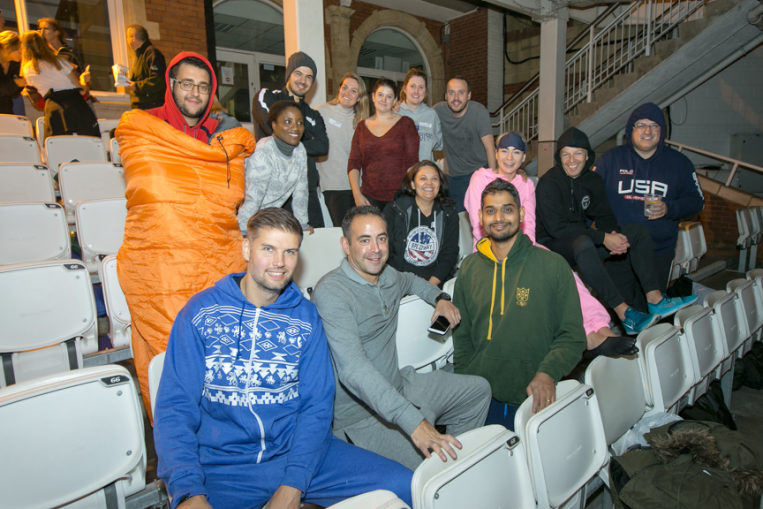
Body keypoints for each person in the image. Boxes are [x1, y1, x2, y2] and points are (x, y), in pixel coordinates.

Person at [154, 208, 413, 509]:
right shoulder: (200, 313)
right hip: (223, 467)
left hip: (299, 454)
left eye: (289, 252)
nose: (279, 263)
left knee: (403, 486)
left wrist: (293, 484)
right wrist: (187, 491)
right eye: (268, 249)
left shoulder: (306, 318)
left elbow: (317, 406)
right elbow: (174, 408)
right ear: (247, 248)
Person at [115, 52, 253, 413]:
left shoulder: (219, 140)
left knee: (222, 348)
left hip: (215, 259)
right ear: (171, 85)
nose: (195, 92)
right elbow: (148, 190)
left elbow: (229, 200)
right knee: (173, 355)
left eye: (203, 86)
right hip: (161, 260)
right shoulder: (144, 129)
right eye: (187, 83)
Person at [312, 206, 491, 470]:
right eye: (365, 240)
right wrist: (414, 423)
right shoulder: (331, 292)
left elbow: (411, 281)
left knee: (478, 391)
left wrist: (440, 298)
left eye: (381, 238)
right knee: (430, 470)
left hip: (401, 384)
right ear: (346, 245)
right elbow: (353, 370)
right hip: (362, 415)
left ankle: (458, 471)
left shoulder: (386, 275)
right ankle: (446, 481)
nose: (376, 248)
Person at [464, 132, 636, 358]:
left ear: (524, 157)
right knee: (544, 287)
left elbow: (530, 225)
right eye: (504, 151)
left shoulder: (525, 184)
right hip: (490, 252)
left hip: (524, 246)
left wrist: (528, 250)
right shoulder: (480, 178)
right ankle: (587, 336)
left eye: (516, 152)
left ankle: (601, 328)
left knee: (562, 270)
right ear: (496, 153)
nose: (509, 157)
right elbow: (481, 225)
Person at [535, 127, 696, 336]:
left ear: (587, 156)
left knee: (637, 232)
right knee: (583, 242)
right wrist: (603, 238)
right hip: (552, 245)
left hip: (580, 241)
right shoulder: (549, 182)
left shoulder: (592, 180)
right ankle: (624, 313)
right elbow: (558, 228)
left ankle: (655, 298)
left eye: (577, 153)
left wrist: (615, 236)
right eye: (566, 154)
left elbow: (604, 216)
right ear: (559, 157)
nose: (571, 160)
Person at [453, 179, 586, 428]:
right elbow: (462, 337)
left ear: (521, 213)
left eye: (507, 209)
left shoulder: (553, 265)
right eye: (490, 211)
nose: (499, 217)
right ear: (480, 217)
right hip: (481, 397)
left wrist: (548, 372)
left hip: (533, 395)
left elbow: (573, 336)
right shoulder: (469, 268)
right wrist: (465, 384)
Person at [597, 102, 705, 293]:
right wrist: (602, 236)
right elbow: (590, 200)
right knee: (615, 312)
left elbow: (696, 202)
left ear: (661, 131)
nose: (647, 131)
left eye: (654, 125)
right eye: (641, 125)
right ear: (631, 129)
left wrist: (669, 208)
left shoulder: (679, 163)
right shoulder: (610, 159)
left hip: (658, 252)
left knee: (650, 312)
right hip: (616, 251)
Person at [252, 51, 328, 228]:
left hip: (306, 192)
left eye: (309, 77)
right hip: (272, 192)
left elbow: (322, 146)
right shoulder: (267, 96)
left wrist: (289, 136)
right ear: (289, 74)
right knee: (276, 248)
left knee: (314, 251)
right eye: (298, 73)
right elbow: (272, 129)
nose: (303, 80)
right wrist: (307, 137)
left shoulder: (313, 114)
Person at [383, 161, 459, 287]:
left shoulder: (449, 213)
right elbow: (387, 251)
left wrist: (429, 287)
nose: (429, 183)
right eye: (423, 178)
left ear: (440, 184)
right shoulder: (395, 210)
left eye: (434, 179)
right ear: (412, 184)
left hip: (435, 283)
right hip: (400, 283)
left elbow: (450, 254)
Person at [237, 101, 310, 233]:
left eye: (300, 123)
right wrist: (244, 231)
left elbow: (301, 191)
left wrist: (302, 224)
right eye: (288, 122)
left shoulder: (300, 150)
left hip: (267, 219)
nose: (295, 128)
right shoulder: (263, 151)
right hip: (244, 218)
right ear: (274, 125)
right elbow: (252, 197)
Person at [348, 78, 419, 210]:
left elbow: (412, 164)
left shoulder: (406, 124)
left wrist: (412, 195)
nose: (383, 100)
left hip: (400, 197)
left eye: (389, 96)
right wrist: (357, 194)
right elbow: (353, 163)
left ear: (395, 100)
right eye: (380, 95)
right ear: (373, 97)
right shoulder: (362, 127)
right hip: (368, 198)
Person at [20, 31, 99, 138]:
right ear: (45, 44)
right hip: (77, 108)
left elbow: (37, 100)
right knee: (87, 145)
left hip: (54, 112)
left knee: (58, 148)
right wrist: (83, 80)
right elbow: (82, 91)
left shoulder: (27, 70)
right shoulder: (60, 61)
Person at [434, 76, 495, 211]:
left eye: (461, 92)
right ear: (445, 96)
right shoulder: (438, 111)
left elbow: (490, 147)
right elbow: (419, 115)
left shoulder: (479, 112)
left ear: (469, 95)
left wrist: (493, 179)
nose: (456, 97)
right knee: (455, 219)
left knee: (481, 218)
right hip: (455, 178)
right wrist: (399, 108)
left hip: (480, 172)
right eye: (451, 92)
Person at [316, 72, 370, 226]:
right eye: (344, 87)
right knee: (344, 232)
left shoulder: (362, 122)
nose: (347, 93)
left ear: (359, 97)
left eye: (353, 91)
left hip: (358, 188)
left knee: (359, 233)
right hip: (334, 186)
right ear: (339, 89)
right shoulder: (321, 112)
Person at [397, 68, 442, 161]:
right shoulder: (395, 113)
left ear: (425, 92)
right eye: (412, 86)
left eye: (421, 87)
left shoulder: (432, 115)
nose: (416, 91)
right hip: (402, 173)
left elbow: (440, 145)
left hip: (425, 171)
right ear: (405, 89)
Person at [125, 24, 166, 110]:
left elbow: (157, 80)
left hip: (151, 106)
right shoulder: (140, 56)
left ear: (133, 38)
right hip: (142, 106)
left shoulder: (151, 53)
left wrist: (136, 86)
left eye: (128, 37)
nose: (127, 41)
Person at [0, 31, 23, 114]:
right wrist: (16, 83)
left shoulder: (16, 65)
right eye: (18, 49)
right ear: (8, 47)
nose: (22, 53)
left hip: (7, 111)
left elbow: (14, 94)